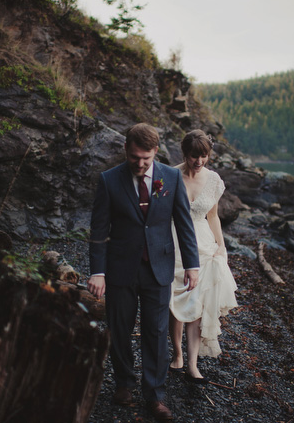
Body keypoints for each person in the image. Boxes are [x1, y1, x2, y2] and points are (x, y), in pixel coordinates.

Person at [88, 123, 200, 421]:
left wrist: (192, 264)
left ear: (156, 152)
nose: (140, 164)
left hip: (159, 268)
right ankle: (124, 383)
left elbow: (184, 224)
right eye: (135, 157)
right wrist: (97, 272)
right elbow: (99, 231)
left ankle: (155, 395)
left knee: (156, 331)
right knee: (120, 330)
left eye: (146, 159)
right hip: (120, 268)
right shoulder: (109, 180)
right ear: (126, 150)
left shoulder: (172, 177)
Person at [169, 129, 238, 383]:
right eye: (193, 156)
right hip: (173, 242)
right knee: (175, 306)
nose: (198, 162)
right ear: (184, 154)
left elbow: (212, 216)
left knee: (197, 305)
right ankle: (177, 354)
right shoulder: (171, 175)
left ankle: (193, 364)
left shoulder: (214, 180)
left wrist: (221, 245)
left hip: (203, 244)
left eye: (204, 157)